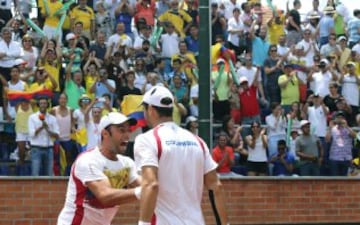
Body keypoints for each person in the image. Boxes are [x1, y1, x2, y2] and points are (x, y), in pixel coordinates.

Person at [134, 86, 229, 225]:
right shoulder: (198, 141)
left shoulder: (147, 139)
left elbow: (151, 184)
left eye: (144, 109)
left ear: (151, 110)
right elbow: (216, 186)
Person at [57, 112, 141, 225]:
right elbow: (105, 196)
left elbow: (144, 185)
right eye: (121, 130)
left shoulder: (127, 163)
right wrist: (144, 190)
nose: (127, 135)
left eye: (128, 130)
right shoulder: (88, 160)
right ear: (105, 134)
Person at [28, 97, 60, 176]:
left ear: (47, 105)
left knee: (49, 174)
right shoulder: (32, 117)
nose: (43, 105)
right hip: (36, 148)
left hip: (49, 148)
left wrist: (48, 130)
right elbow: (31, 134)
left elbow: (57, 135)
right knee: (35, 173)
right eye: (41, 103)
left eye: (45, 103)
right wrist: (41, 127)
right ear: (38, 105)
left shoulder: (52, 118)